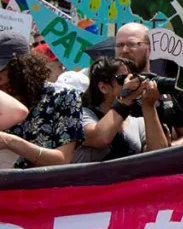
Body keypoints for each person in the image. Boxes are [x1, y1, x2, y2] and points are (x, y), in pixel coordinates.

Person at [0, 32, 83, 168]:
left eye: (1, 75)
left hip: (42, 187)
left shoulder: (63, 97)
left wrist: (11, 142)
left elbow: (62, 160)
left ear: (22, 68)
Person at [75, 57, 168, 162]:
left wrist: (149, 106)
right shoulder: (80, 116)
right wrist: (126, 98)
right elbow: (100, 138)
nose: (129, 83)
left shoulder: (138, 123)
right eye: (122, 78)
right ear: (103, 87)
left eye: (132, 77)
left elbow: (159, 155)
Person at [114, 23, 183, 138]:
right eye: (120, 45)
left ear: (149, 48)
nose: (124, 50)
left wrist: (166, 149)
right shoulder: (106, 89)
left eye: (132, 44)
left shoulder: (165, 88)